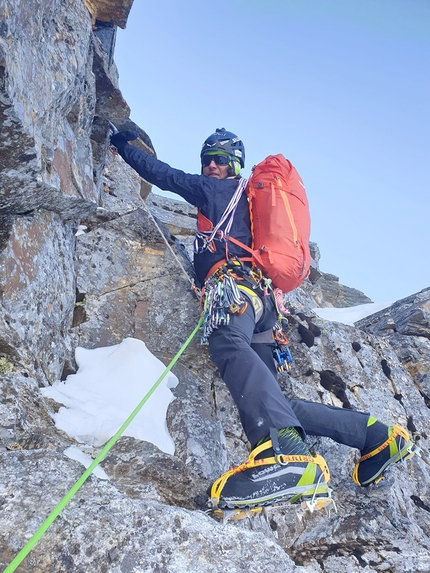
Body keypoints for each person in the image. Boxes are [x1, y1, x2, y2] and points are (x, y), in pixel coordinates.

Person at [110, 127, 418, 515]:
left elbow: (165, 175)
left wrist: (121, 146)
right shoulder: (248, 202)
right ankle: (377, 437)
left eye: (220, 159)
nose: (211, 165)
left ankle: (282, 455)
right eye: (207, 158)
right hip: (263, 305)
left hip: (235, 292)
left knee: (228, 345)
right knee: (274, 398)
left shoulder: (219, 191)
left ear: (235, 164)